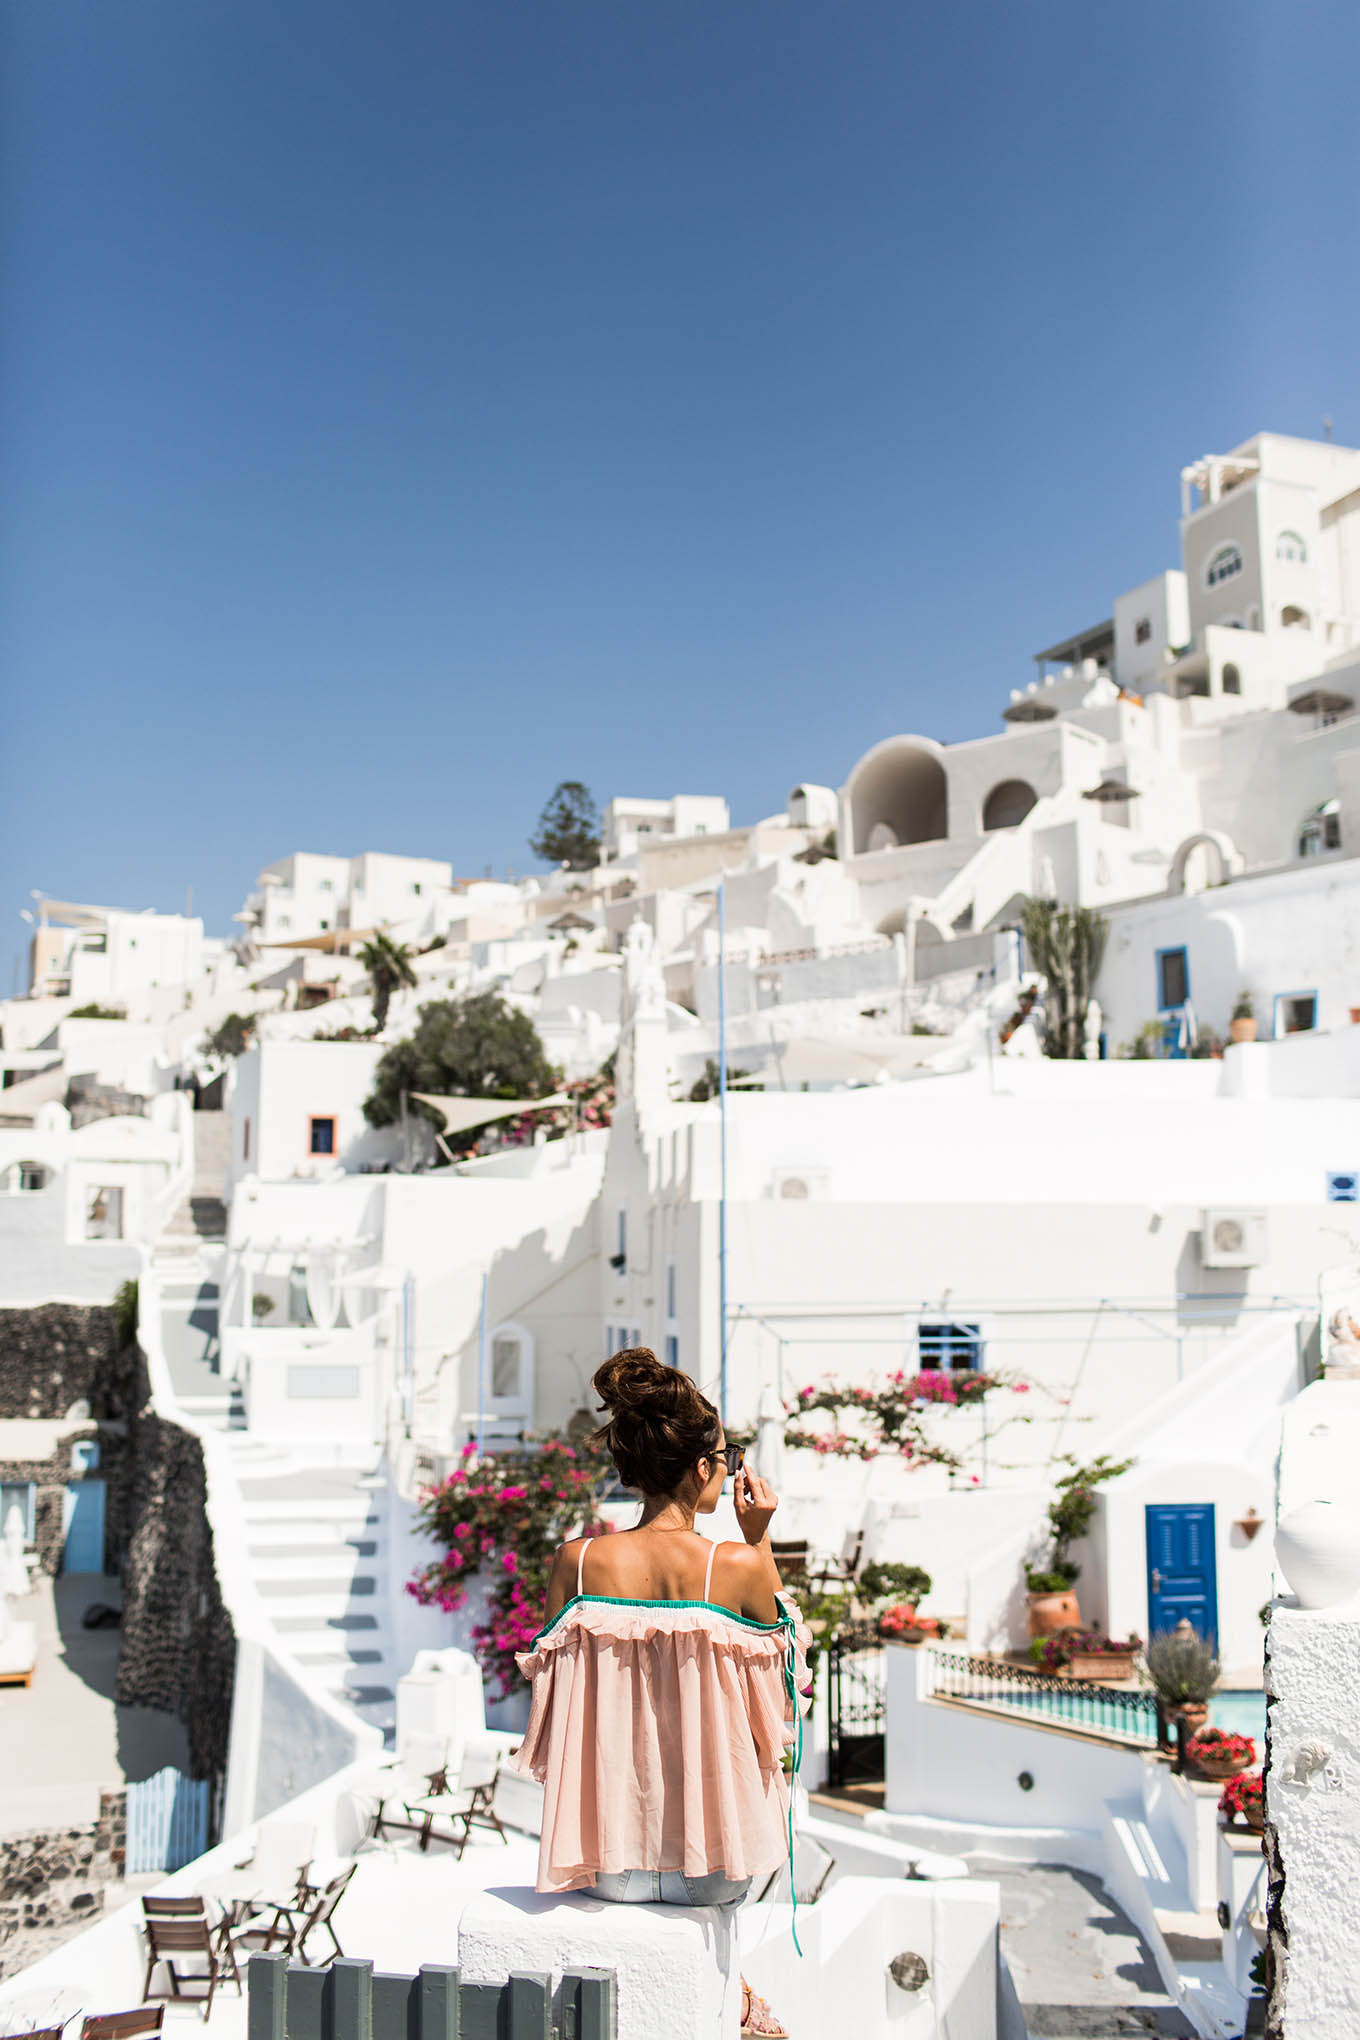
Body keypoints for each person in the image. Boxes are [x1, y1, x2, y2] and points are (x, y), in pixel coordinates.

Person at [513, 1348, 805, 2038]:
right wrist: (758, 1539)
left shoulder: (576, 1560)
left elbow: (549, 1700)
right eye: (724, 1459)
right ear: (702, 1469)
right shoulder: (734, 1565)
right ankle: (737, 2001)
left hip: (606, 1862)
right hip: (716, 1865)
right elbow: (784, 1691)